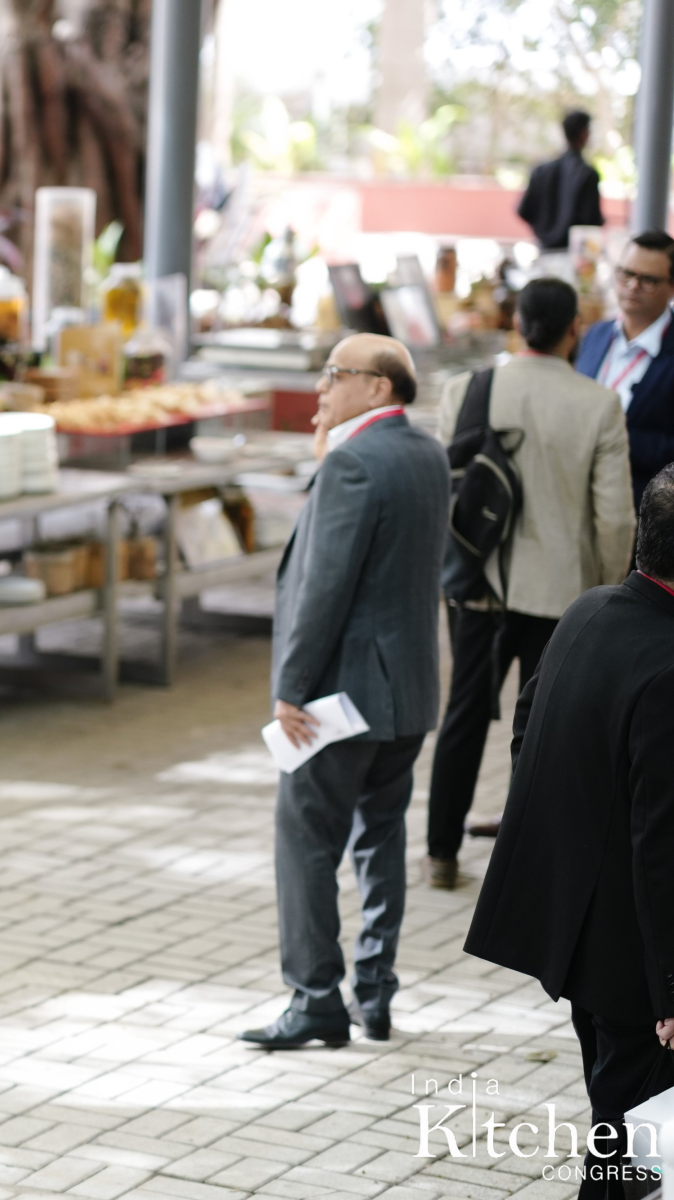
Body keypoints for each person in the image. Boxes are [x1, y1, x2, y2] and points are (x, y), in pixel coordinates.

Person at [464, 466, 674, 1200]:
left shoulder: (589, 611)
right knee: (635, 1155)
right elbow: (661, 845)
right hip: (636, 964)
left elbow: (529, 730)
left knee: (619, 1125)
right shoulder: (667, 665)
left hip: (583, 940)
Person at [239, 334, 450, 1050]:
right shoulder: (425, 451)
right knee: (381, 837)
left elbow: (323, 588)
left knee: (305, 839)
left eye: (336, 374)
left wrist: (290, 687)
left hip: (342, 696)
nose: (322, 387)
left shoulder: (353, 461)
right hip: (409, 689)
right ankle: (376, 991)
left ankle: (315, 998)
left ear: (379, 388)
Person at [425, 278, 635, 888]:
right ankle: (524, 868)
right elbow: (615, 518)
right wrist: (605, 591)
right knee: (544, 730)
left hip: (479, 587)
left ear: (516, 324)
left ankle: (441, 854)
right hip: (563, 597)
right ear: (575, 330)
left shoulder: (467, 390)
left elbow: (447, 494)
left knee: (464, 716)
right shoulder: (599, 404)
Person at [576, 231, 674, 505]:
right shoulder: (595, 335)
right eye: (626, 274)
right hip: (577, 498)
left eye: (648, 280)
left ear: (671, 287)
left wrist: (613, 437)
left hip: (640, 509)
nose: (633, 286)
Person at [517, 110, 605, 252]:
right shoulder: (587, 175)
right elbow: (591, 223)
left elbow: (524, 210)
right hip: (573, 254)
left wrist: (544, 232)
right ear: (584, 133)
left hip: (543, 251)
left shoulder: (541, 171)